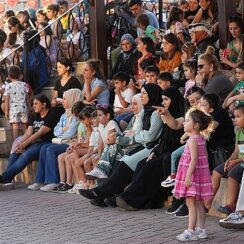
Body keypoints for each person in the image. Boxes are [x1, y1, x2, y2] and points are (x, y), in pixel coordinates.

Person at [78, 83, 164, 205]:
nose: (143, 96)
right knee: (121, 161)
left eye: (145, 93)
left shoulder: (156, 113)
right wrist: (135, 137)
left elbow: (151, 136)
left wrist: (135, 137)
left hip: (151, 147)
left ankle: (102, 192)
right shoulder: (146, 112)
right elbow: (139, 134)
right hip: (141, 145)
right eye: (142, 93)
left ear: (152, 95)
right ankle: (107, 195)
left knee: (125, 162)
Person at [115, 86, 185, 210]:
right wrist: (155, 152)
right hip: (163, 151)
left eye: (166, 99)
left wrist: (166, 115)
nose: (163, 103)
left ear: (174, 100)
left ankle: (131, 199)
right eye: (162, 99)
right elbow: (163, 140)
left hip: (175, 153)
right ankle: (130, 196)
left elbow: (174, 128)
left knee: (151, 165)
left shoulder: (182, 116)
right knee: (142, 164)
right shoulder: (164, 115)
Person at [28, 89, 83, 192]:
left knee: (50, 149)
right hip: (62, 141)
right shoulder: (64, 115)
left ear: (72, 99)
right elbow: (56, 131)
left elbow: (71, 133)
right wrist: (64, 130)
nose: (62, 101)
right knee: (44, 147)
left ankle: (52, 181)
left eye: (65, 99)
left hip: (70, 143)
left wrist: (63, 131)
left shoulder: (76, 115)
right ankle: (39, 180)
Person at [0, 95, 60, 185]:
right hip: (33, 142)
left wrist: (24, 144)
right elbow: (28, 132)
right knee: (15, 150)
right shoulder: (35, 115)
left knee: (26, 154)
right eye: (33, 104)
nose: (33, 106)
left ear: (44, 104)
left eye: (36, 104)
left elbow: (39, 133)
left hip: (45, 143)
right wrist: (20, 143)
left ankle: (4, 177)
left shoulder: (52, 114)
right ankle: (6, 179)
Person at [175, 108, 214, 241]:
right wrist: (187, 134)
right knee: (198, 204)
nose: (184, 123)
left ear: (196, 125)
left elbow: (194, 159)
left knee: (190, 203)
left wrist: (188, 176)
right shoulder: (200, 138)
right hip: (199, 175)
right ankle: (201, 230)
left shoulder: (192, 140)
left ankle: (191, 231)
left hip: (192, 175)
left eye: (187, 121)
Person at [212, 102, 244, 216]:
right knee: (216, 171)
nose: (235, 120)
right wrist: (229, 160)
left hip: (242, 162)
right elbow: (237, 150)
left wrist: (237, 161)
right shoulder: (239, 131)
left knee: (233, 173)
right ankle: (207, 202)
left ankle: (230, 205)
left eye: (238, 117)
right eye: (234, 116)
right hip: (238, 160)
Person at [52, 105, 94, 193]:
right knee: (64, 156)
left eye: (83, 119)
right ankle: (66, 183)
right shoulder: (85, 125)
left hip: (92, 150)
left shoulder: (89, 127)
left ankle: (81, 182)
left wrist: (78, 145)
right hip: (88, 148)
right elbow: (84, 141)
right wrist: (76, 144)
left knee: (72, 155)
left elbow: (90, 144)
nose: (81, 121)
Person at [85, 104, 122, 179]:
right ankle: (96, 184)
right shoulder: (100, 126)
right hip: (107, 151)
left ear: (107, 116)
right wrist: (99, 154)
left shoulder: (111, 123)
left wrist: (101, 156)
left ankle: (102, 180)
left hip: (117, 150)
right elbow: (100, 141)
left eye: (100, 115)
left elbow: (109, 141)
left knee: (97, 161)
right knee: (95, 159)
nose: (98, 117)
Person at [4, 65, 31, 139]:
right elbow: (27, 97)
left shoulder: (8, 86)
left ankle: (15, 142)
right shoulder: (24, 84)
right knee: (24, 125)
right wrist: (30, 107)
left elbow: (6, 99)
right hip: (23, 108)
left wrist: (6, 111)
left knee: (15, 125)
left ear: (9, 76)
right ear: (19, 75)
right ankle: (28, 140)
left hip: (14, 109)